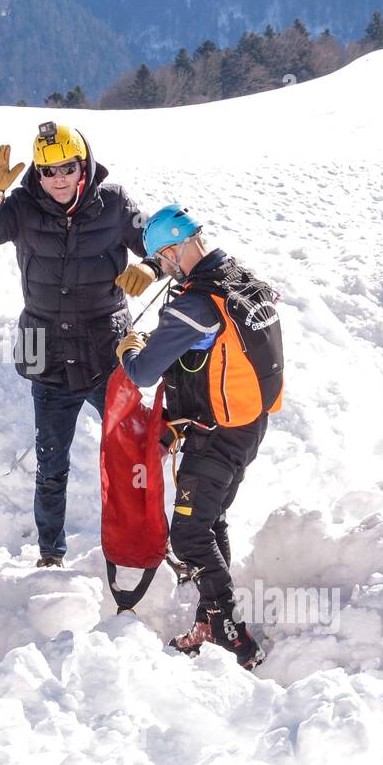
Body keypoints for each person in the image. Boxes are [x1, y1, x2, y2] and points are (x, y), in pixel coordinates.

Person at [0, 121, 157, 567]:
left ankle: (145, 540)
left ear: (83, 164)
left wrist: (151, 268)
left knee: (135, 449)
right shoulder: (23, 206)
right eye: (47, 171)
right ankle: (51, 555)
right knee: (51, 467)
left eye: (66, 167)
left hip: (106, 351)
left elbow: (162, 244)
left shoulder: (115, 204)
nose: (58, 179)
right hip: (47, 355)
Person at [117, 205, 284, 670]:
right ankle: (211, 618)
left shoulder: (194, 306)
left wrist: (131, 349)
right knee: (210, 523)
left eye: (163, 259)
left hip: (218, 437)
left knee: (189, 533)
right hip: (248, 424)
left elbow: (144, 371)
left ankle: (232, 633)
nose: (164, 269)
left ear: (174, 249)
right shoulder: (238, 279)